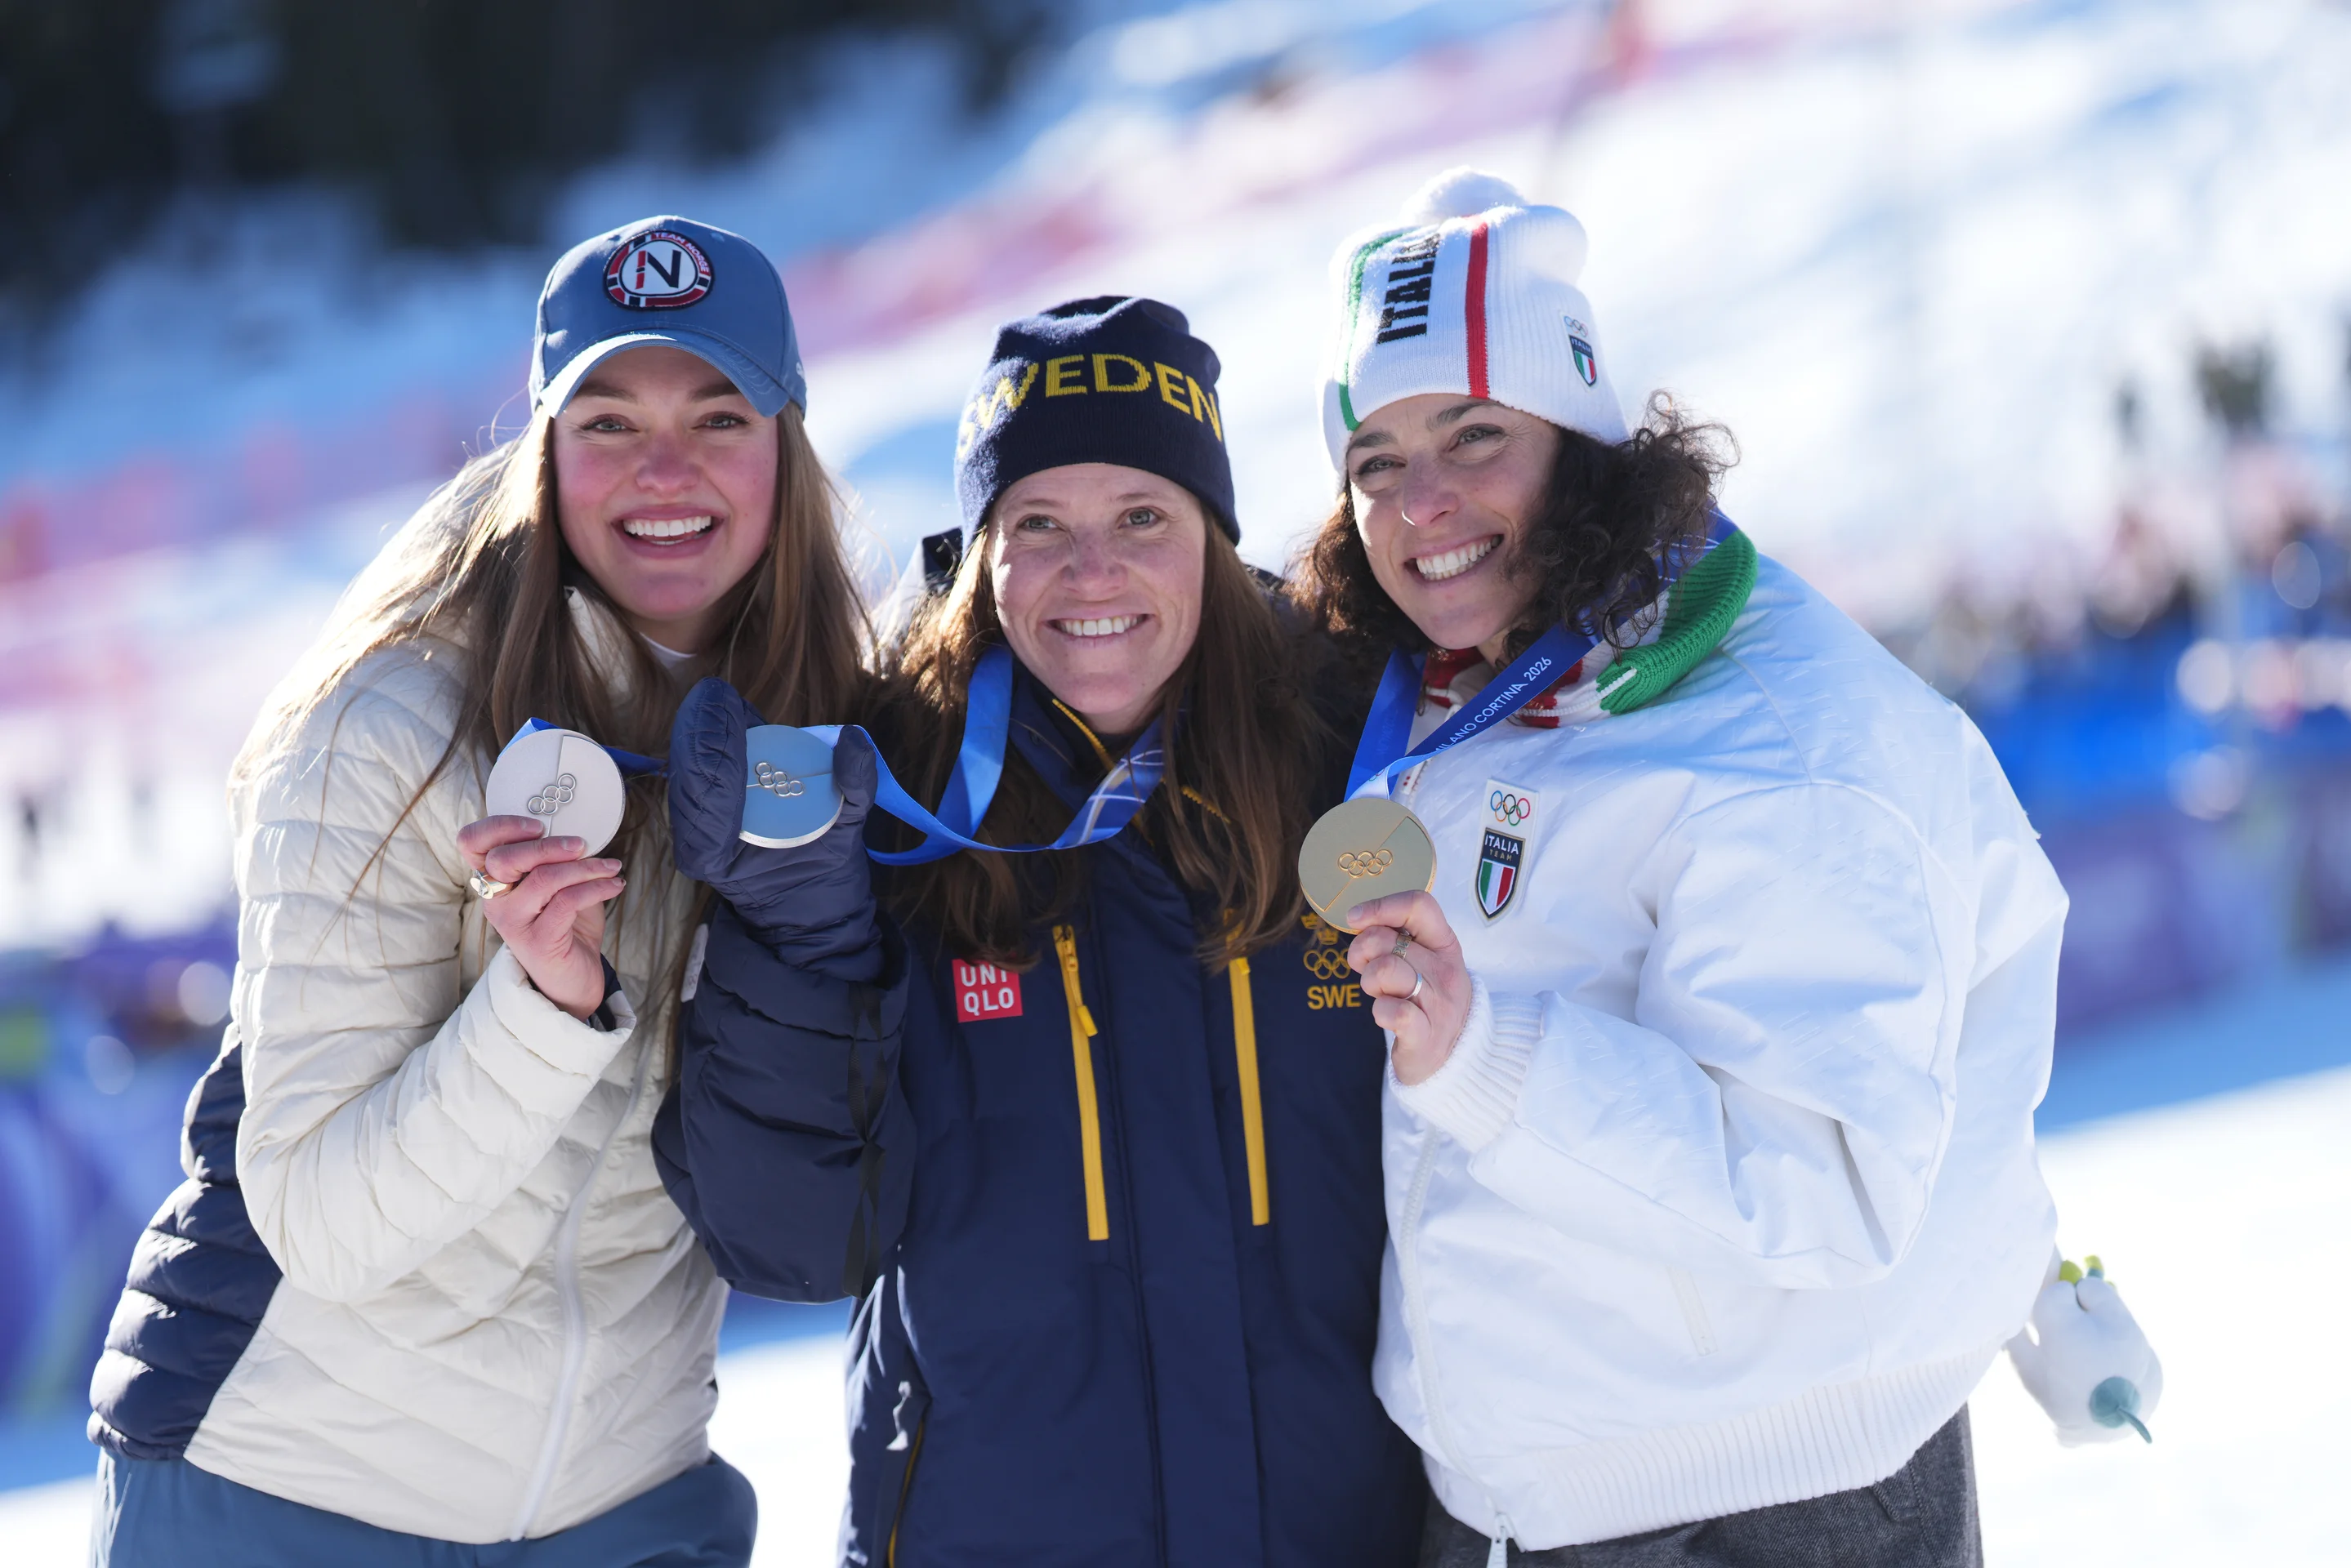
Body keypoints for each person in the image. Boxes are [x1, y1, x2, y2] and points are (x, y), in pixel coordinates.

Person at [1300, 169, 2075, 1566]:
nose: (1421, 504)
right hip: (1556, 1479)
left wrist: (1489, 1056)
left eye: (1475, 434)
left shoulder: (1778, 745)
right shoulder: (1493, 663)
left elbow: (1821, 1176)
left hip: (1758, 1502)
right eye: (1377, 461)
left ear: (1586, 444)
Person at [85, 216, 868, 1566]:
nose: (664, 470)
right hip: (287, 1500)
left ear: (785, 449)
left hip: (626, 1511)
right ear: (544, 453)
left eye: (719, 415)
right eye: (609, 420)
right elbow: (323, 1219)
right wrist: (540, 1010)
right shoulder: (395, 728)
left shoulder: (829, 743)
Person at [654, 296, 1427, 1566]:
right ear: (981, 552)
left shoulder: (1358, 759)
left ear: (1212, 536)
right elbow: (795, 1245)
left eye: (1142, 517)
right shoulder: (889, 801)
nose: (1093, 573)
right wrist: (799, 943)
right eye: (1039, 526)